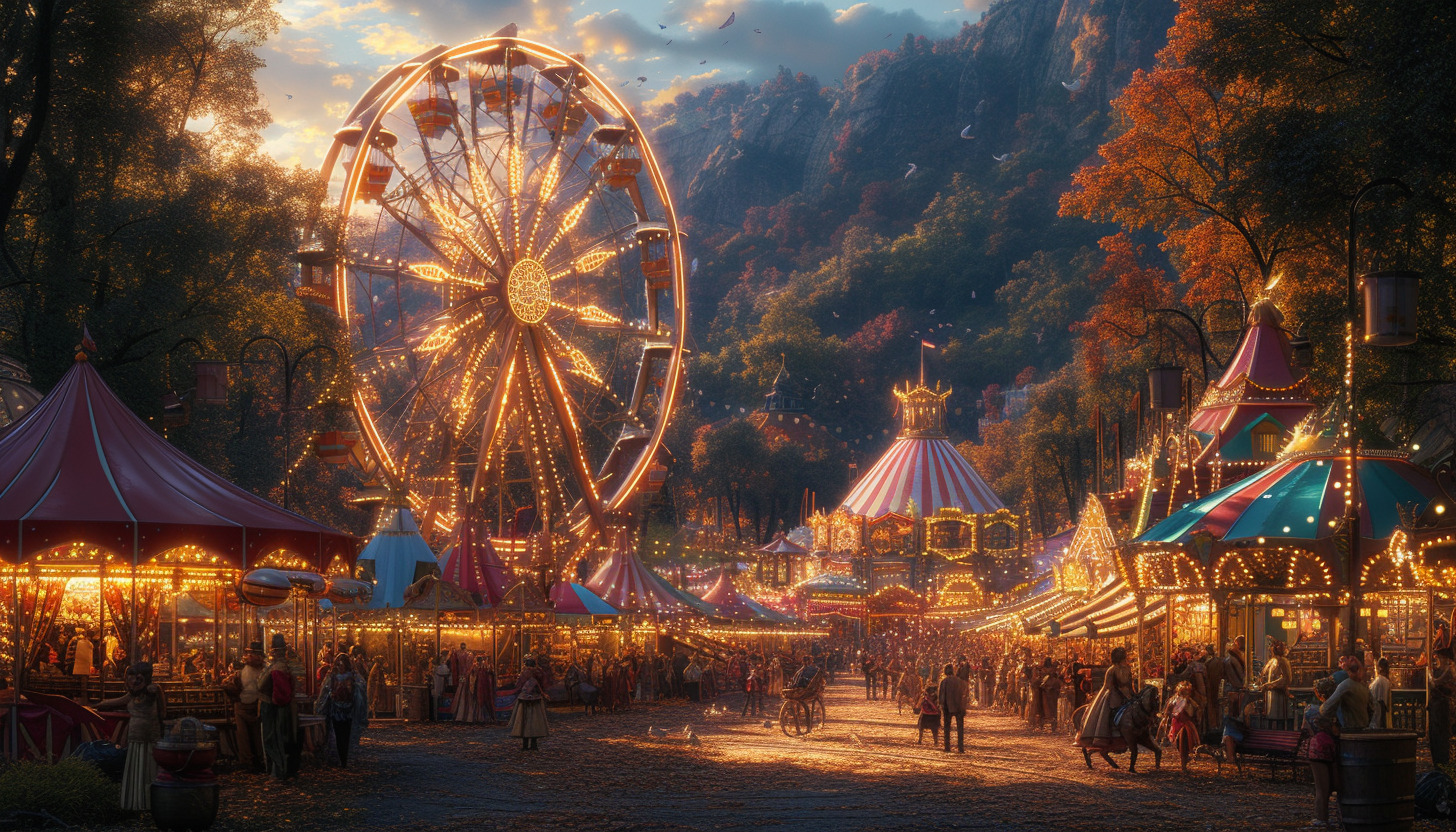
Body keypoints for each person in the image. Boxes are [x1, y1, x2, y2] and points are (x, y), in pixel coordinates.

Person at [95, 662, 166, 811]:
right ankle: (138, 802)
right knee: (138, 768)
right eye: (130, 678)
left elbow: (162, 712)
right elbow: (111, 703)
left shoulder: (153, 690)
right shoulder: (131, 696)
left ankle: (148, 802)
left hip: (150, 737)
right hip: (135, 737)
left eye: (137, 678)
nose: (133, 682)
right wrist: (94, 706)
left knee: (147, 768)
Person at [258, 634, 300, 781]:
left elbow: (268, 688)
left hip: (274, 707)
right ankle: (282, 771)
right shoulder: (284, 666)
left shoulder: (277, 668)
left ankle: (278, 771)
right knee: (282, 739)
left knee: (274, 739)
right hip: (280, 706)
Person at [315, 654, 368, 767]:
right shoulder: (333, 675)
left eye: (342, 664)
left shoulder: (351, 675)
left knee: (345, 733)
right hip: (336, 708)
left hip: (348, 709)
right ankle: (341, 757)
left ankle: (344, 757)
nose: (341, 666)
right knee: (339, 734)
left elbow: (361, 685)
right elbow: (326, 688)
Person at [1077, 646, 1134, 748]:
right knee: (1109, 713)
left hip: (1125, 694)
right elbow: (1109, 686)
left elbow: (1129, 684)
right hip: (1114, 695)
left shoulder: (1126, 669)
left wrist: (1132, 695)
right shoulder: (1112, 670)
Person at [226, 641, 266, 772]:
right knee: (257, 732)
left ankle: (247, 760)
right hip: (257, 702)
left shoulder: (246, 669)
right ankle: (259, 757)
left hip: (244, 703)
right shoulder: (263, 668)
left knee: (243, 734)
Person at [1306, 677, 1341, 827]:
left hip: (1317, 748)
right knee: (1338, 785)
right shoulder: (1335, 710)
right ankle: (1339, 816)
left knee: (1321, 788)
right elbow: (1337, 731)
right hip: (1333, 748)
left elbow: (1306, 730)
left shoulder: (1310, 711)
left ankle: (1321, 817)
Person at [1321, 656, 1372, 732]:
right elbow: (1372, 709)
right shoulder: (1364, 686)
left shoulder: (1346, 685)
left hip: (1350, 730)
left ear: (1346, 670)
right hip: (1364, 729)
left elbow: (1325, 708)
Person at [509, 657, 549, 750]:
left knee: (524, 720)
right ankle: (534, 744)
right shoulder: (539, 672)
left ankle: (525, 744)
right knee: (535, 720)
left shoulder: (523, 673)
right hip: (536, 699)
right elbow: (544, 684)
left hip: (524, 699)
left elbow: (517, 684)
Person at [1161, 680, 1200, 772]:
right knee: (1180, 742)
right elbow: (1168, 711)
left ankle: (1185, 759)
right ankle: (1184, 760)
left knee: (1186, 742)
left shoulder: (1188, 700)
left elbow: (1195, 709)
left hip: (1185, 723)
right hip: (1177, 723)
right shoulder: (1174, 699)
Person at [1429, 647, 1456, 766]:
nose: (1438, 659)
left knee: (1442, 735)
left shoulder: (1450, 670)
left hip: (1443, 706)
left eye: (1440, 657)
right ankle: (1437, 760)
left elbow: (1438, 683)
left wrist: (1434, 681)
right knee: (1435, 735)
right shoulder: (1438, 670)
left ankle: (1442, 760)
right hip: (1435, 706)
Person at [1260, 640, 1293, 724]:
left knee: (1278, 721)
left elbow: (1286, 678)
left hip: (1279, 695)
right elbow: (1264, 675)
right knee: (1269, 719)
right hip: (1269, 694)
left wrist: (1270, 685)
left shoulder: (1283, 661)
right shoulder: (1271, 661)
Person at [938, 662, 968, 753]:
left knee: (947, 728)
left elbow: (942, 696)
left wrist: (941, 705)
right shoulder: (960, 681)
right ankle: (960, 747)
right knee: (960, 728)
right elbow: (964, 693)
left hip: (948, 707)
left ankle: (947, 747)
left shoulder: (944, 681)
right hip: (959, 706)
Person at [1037, 658, 1063, 732]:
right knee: (1048, 708)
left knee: (1047, 708)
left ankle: (1048, 723)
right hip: (1047, 692)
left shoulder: (1044, 670)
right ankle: (1049, 723)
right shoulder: (1048, 670)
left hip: (1049, 692)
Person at [1368, 656, 1393, 730]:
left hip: (1377, 712)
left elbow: (1381, 701)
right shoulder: (1384, 681)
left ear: (1380, 668)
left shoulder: (1380, 681)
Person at [72, 627, 95, 696]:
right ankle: (83, 697)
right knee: (84, 685)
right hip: (85, 668)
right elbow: (90, 657)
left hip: (77, 668)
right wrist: (91, 666)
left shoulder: (79, 642)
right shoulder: (90, 644)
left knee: (77, 684)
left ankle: (76, 696)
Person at [430, 651, 450, 720]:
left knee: (437, 698)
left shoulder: (438, 668)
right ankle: (437, 714)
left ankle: (436, 714)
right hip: (439, 685)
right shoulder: (441, 667)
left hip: (438, 685)